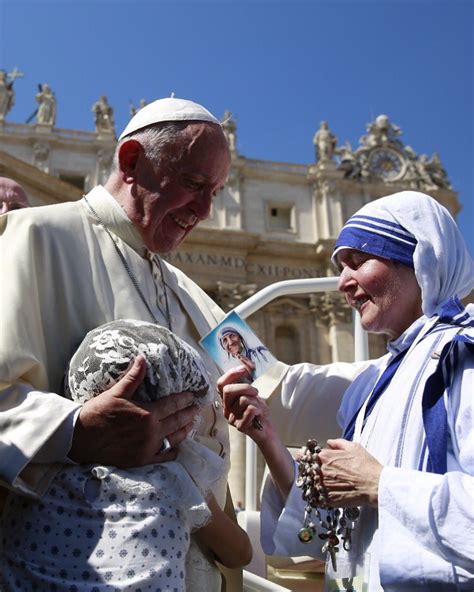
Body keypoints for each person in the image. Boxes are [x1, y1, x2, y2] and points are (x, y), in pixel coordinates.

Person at [0, 96, 258, 591]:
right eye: (194, 184)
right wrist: (73, 430)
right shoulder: (31, 234)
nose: (205, 211)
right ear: (132, 162)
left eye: (217, 194)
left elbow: (278, 384)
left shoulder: (188, 290)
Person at [218, 191, 474, 591]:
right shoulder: (369, 388)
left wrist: (378, 483)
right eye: (340, 266)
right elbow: (333, 536)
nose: (342, 282)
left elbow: (374, 489)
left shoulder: (464, 355)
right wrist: (267, 437)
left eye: (357, 261)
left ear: (420, 258)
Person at [1, 319, 251, 589]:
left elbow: (267, 372)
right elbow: (239, 552)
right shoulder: (178, 477)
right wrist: (76, 429)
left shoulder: (40, 476)